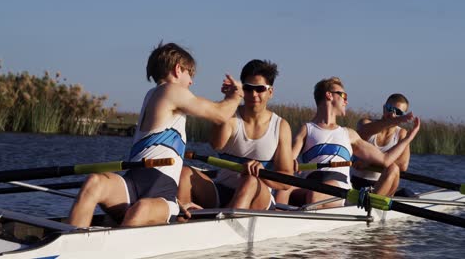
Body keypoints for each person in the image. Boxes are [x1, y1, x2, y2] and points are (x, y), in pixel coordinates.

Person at [68, 42, 243, 227]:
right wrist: (235, 96)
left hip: (163, 196)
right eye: (189, 74)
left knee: (140, 208)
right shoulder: (171, 91)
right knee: (94, 182)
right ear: (177, 70)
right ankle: (69, 244)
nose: (191, 81)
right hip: (133, 182)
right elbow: (220, 114)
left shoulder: (152, 94)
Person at [275, 77, 420, 208]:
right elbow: (288, 160)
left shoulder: (349, 134)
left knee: (315, 195)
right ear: (329, 95)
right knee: (284, 186)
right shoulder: (306, 129)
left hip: (337, 188)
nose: (347, 101)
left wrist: (409, 138)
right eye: (343, 96)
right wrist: (289, 162)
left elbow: (386, 160)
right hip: (310, 184)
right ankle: (275, 217)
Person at [177, 59, 293, 211]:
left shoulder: (281, 127)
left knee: (250, 180)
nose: (253, 94)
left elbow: (287, 180)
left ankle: (224, 222)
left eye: (260, 89)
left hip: (259, 195)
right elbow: (216, 144)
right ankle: (182, 220)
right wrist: (228, 101)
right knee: (185, 173)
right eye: (248, 88)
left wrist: (262, 174)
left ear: (270, 92)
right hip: (222, 189)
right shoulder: (231, 117)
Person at [351, 94, 414, 196]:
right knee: (392, 166)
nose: (392, 115)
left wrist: (370, 163)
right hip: (356, 181)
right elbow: (363, 131)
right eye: (390, 109)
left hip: (383, 184)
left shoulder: (401, 133)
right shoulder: (365, 123)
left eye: (397, 112)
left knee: (394, 168)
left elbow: (402, 165)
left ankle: (374, 203)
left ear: (403, 116)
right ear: (384, 108)